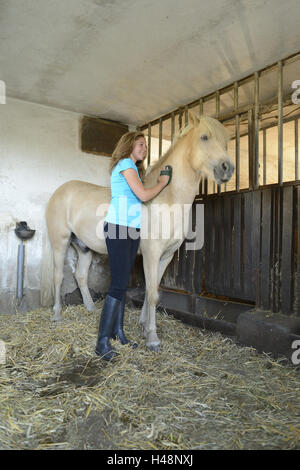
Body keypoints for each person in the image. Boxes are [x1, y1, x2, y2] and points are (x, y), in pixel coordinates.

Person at [95, 131, 171, 360]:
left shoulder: (134, 169)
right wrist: (163, 183)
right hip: (118, 228)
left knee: (123, 282)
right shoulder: (126, 164)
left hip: (131, 229)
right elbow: (144, 195)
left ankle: (118, 332)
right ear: (129, 145)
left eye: (145, 145)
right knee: (118, 285)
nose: (144, 148)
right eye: (141, 144)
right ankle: (102, 343)